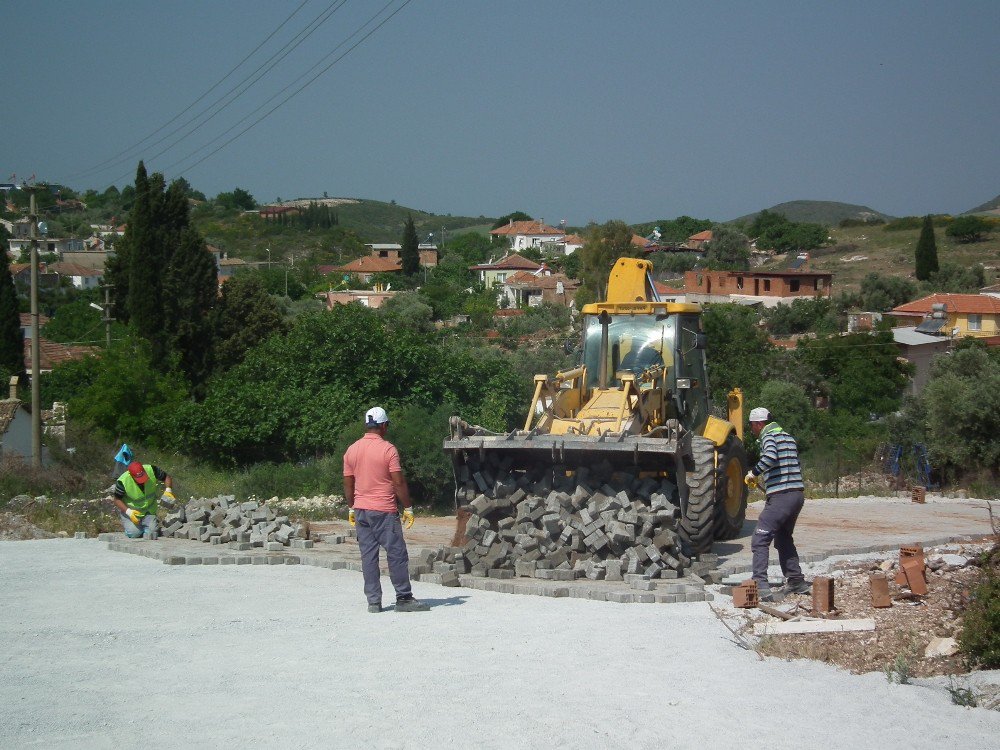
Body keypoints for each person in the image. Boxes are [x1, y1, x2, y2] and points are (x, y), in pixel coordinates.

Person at [343, 406, 428, 613]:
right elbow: (398, 482)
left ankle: (373, 602)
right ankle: (404, 598)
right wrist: (408, 507)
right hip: (384, 511)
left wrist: (351, 507)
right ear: (382, 426)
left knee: (368, 556)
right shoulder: (388, 449)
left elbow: (348, 483)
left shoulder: (351, 450)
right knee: (396, 553)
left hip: (361, 510)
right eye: (387, 425)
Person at [745, 407, 810, 602]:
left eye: (752, 426)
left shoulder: (768, 437)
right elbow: (790, 465)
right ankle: (797, 581)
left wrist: (754, 472)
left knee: (760, 538)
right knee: (783, 537)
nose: (752, 430)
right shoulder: (788, 437)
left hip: (782, 497)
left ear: (759, 423)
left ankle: (760, 586)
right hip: (797, 495)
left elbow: (771, 457)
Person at [109, 459, 175, 539]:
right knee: (134, 534)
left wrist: (168, 490)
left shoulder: (151, 470)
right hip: (133, 512)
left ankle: (148, 526)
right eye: (138, 480)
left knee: (152, 532)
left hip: (149, 511)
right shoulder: (123, 481)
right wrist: (129, 512)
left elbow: (166, 477)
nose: (142, 482)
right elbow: (117, 500)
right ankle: (133, 529)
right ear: (131, 475)